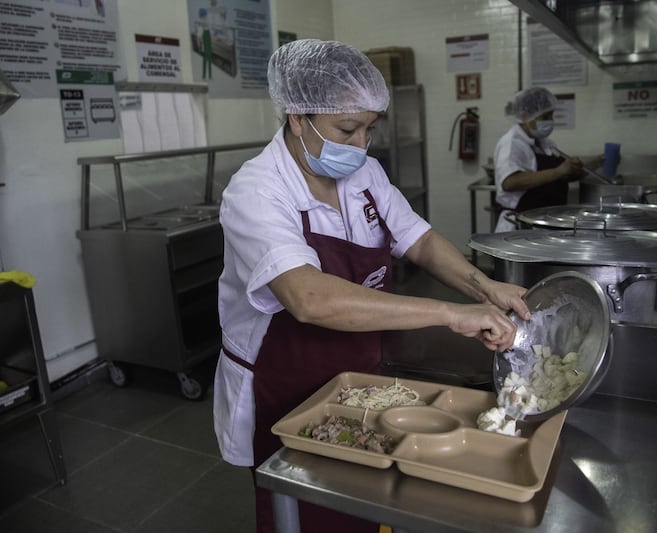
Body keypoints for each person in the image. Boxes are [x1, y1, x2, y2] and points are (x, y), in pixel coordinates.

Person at [213, 38, 531, 533]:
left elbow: (418, 239)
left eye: (369, 129)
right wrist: (450, 313)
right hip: (287, 381)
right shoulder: (256, 192)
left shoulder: (365, 173)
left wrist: (484, 287)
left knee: (367, 503)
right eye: (347, 129)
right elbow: (310, 299)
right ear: (298, 117)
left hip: (359, 368)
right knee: (309, 511)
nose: (361, 145)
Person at [493, 86, 601, 232]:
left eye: (551, 115)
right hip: (521, 225)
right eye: (545, 117)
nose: (550, 121)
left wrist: (590, 165)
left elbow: (557, 177)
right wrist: (559, 171)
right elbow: (510, 182)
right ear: (525, 116)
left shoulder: (545, 143)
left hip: (545, 222)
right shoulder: (512, 144)